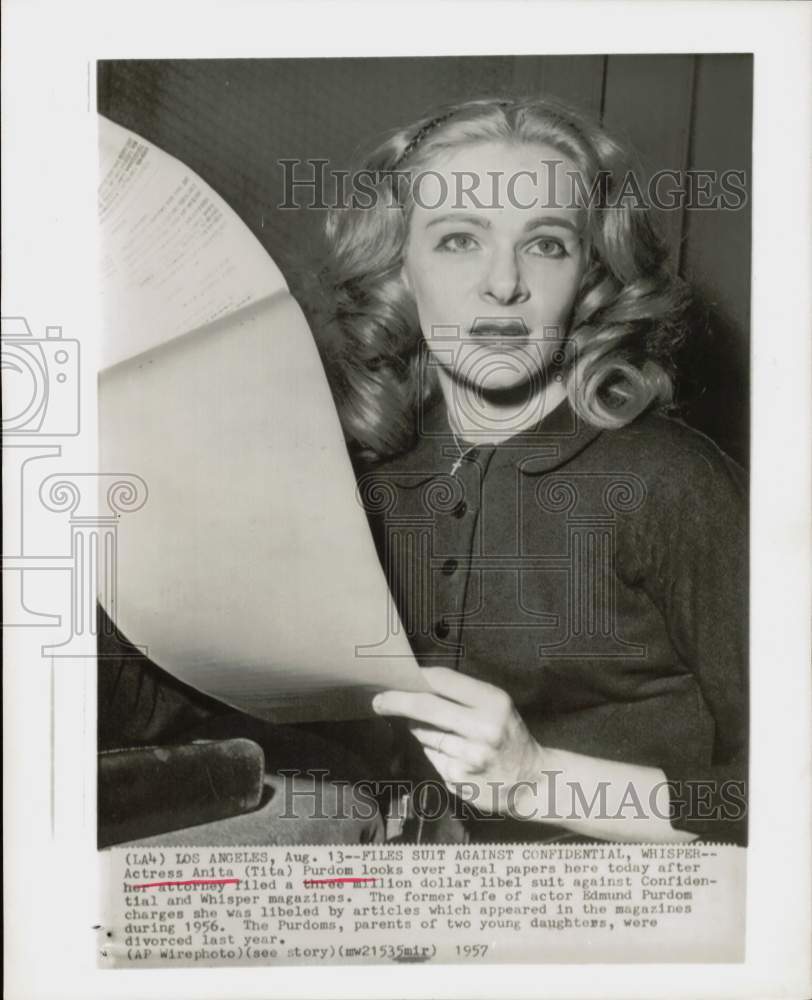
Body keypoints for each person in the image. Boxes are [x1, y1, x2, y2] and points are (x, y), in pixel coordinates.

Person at [316, 96, 748, 844]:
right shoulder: (369, 478)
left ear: (588, 278)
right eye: (458, 240)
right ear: (399, 272)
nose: (504, 284)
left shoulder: (672, 482)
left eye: (547, 244)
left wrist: (537, 779)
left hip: (642, 921)